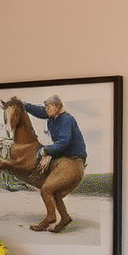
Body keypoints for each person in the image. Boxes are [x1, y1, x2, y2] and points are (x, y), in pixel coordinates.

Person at [21, 94, 87, 233]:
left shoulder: (67, 119)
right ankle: (65, 218)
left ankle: (50, 217)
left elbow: (64, 141)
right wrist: (23, 104)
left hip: (73, 161)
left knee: (46, 189)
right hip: (65, 159)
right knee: (54, 192)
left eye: (49, 106)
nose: (46, 109)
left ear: (58, 106)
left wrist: (46, 151)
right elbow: (39, 111)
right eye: (45, 106)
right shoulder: (52, 116)